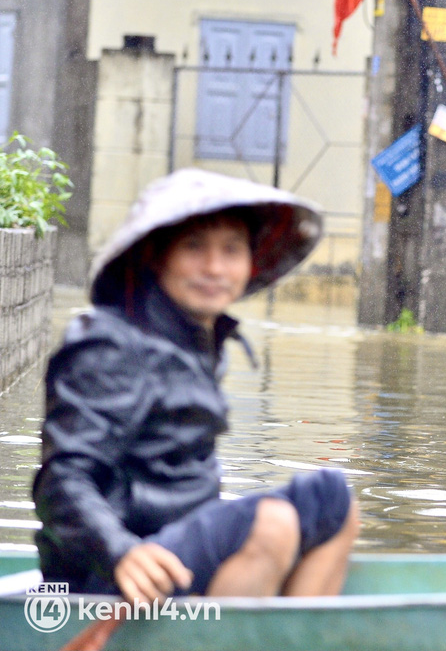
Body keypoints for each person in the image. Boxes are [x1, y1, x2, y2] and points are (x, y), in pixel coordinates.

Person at [33, 169, 360, 604]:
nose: (214, 267)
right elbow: (62, 480)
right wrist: (120, 552)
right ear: (157, 257)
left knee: (336, 502)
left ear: (249, 262)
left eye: (231, 249)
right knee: (273, 524)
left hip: (177, 548)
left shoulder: (201, 341)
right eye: (194, 247)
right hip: (111, 571)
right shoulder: (107, 344)